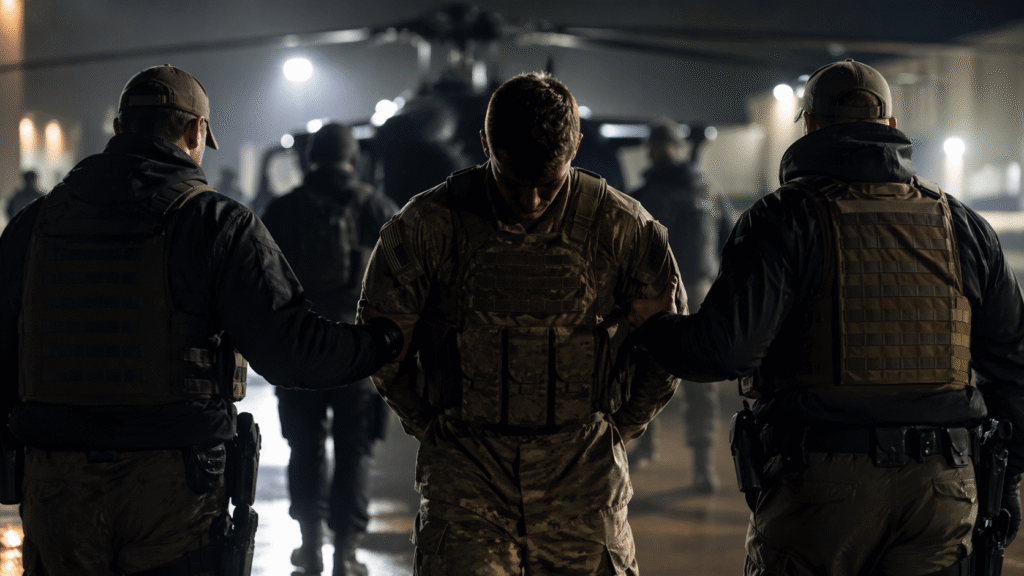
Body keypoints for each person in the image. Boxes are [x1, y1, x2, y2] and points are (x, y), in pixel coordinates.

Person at [0, 65, 403, 576]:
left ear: (119, 130)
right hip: (172, 490)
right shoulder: (217, 223)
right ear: (196, 133)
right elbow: (292, 353)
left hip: (56, 484)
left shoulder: (33, 224)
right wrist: (384, 341)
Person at [631, 59, 1024, 576]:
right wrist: (1006, 479)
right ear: (888, 126)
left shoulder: (782, 218)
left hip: (823, 488)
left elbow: (726, 349)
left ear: (811, 125)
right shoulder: (966, 227)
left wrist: (651, 327)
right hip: (941, 488)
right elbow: (1015, 369)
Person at [358, 71, 682, 576]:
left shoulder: (624, 228)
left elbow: (667, 347)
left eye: (546, 184)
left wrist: (620, 427)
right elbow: (383, 341)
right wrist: (429, 426)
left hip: (584, 476)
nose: (530, 201)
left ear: (575, 145)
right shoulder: (427, 226)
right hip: (467, 479)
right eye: (514, 180)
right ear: (485, 143)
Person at [261, 122, 399, 576]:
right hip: (359, 352)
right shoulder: (377, 208)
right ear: (353, 159)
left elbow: (261, 285)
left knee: (305, 448)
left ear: (309, 158)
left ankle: (310, 547)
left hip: (301, 351)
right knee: (355, 450)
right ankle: (346, 551)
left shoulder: (283, 210)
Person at [627, 118, 734, 493]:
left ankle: (703, 461)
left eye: (665, 146)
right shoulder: (642, 195)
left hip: (699, 290)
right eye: (656, 147)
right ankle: (648, 444)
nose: (661, 153)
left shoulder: (707, 191)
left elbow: (729, 243)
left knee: (699, 381)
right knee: (647, 371)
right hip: (655, 294)